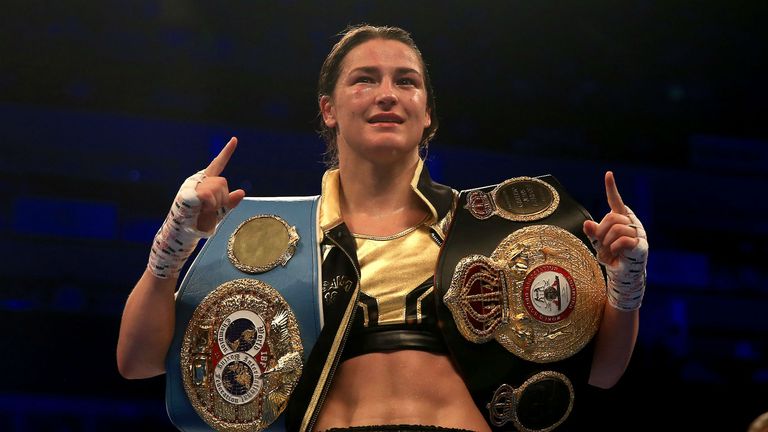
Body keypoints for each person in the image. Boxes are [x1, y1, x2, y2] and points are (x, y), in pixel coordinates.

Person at [117, 24, 648, 432]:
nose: (387, 93)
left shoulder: (492, 233)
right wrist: (176, 238)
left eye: (406, 81)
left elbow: (600, 373)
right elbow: (137, 361)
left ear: (427, 114)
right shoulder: (268, 236)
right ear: (329, 109)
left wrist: (626, 285)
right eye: (365, 79)